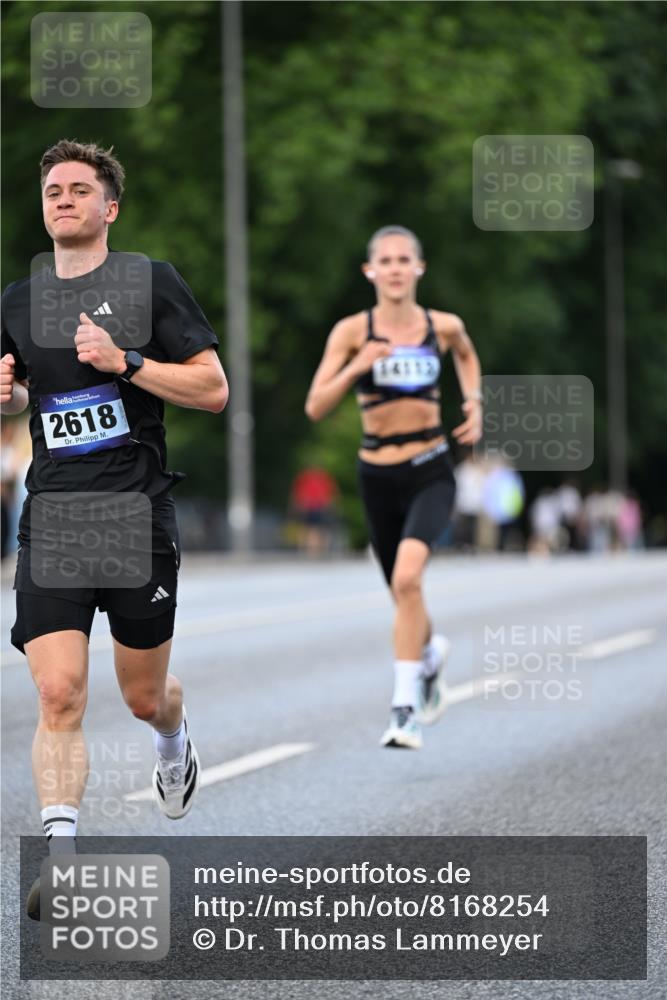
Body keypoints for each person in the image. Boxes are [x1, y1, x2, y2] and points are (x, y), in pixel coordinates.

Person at [0, 140, 228, 919]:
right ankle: (61, 859)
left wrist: (126, 360)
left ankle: (173, 737)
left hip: (135, 514)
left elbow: (212, 388)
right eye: (52, 190)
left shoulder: (148, 282)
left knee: (141, 697)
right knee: (58, 691)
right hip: (57, 516)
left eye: (78, 189)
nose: (61, 199)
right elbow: (20, 399)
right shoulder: (17, 301)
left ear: (110, 208)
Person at [305, 225, 482, 749]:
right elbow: (316, 406)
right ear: (371, 271)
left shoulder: (442, 325)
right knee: (402, 594)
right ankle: (428, 656)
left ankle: (404, 709)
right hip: (376, 475)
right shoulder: (351, 332)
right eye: (387, 260)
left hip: (430, 467)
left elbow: (467, 356)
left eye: (406, 259)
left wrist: (475, 402)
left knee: (408, 580)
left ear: (419, 268)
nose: (396, 268)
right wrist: (358, 365)